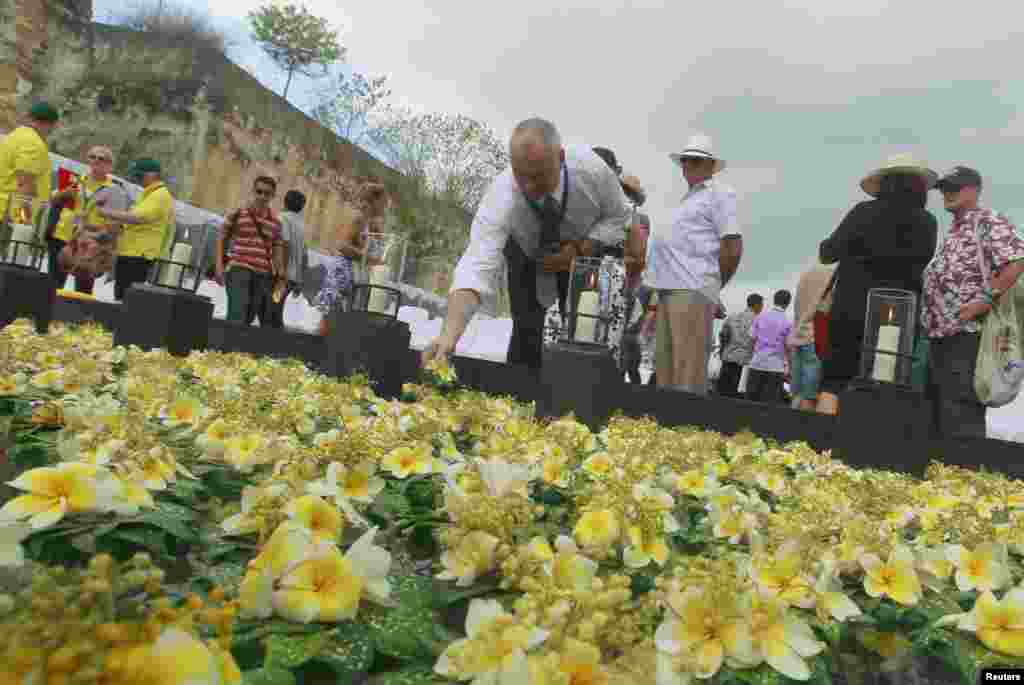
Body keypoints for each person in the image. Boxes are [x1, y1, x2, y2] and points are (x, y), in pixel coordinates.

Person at [421, 118, 630, 371]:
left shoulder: (593, 171)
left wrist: (580, 250)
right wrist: (448, 336)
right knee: (526, 327)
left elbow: (618, 216)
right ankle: (518, 391)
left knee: (579, 331)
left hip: (582, 254)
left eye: (538, 176)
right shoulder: (501, 196)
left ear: (561, 157)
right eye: (521, 176)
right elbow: (477, 265)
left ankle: (570, 392)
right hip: (525, 252)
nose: (529, 187)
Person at [818, 154, 938, 415]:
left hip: (852, 306)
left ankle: (821, 445)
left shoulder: (863, 212)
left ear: (884, 183)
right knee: (887, 383)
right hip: (899, 314)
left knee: (835, 380)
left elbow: (828, 252)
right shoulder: (928, 221)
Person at [922, 166, 1024, 438]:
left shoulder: (987, 220)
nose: (947, 193)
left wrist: (985, 300)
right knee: (941, 409)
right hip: (941, 335)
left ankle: (964, 471)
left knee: (961, 408)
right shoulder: (955, 231)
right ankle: (944, 472)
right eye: (944, 188)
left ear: (974, 189)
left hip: (969, 332)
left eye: (954, 187)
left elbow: (1015, 261)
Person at [644, 133, 742, 395]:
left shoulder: (720, 193)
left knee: (686, 373)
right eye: (686, 160)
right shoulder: (690, 199)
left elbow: (732, 247)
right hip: (671, 287)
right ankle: (665, 429)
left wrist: (711, 287)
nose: (688, 166)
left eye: (696, 161)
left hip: (693, 287)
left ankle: (685, 429)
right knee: (666, 369)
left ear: (711, 166)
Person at [314, 182, 390, 336]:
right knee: (330, 318)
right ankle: (315, 349)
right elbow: (342, 245)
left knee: (339, 320)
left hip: (353, 273)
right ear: (374, 201)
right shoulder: (358, 218)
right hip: (343, 272)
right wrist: (370, 259)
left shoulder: (368, 222)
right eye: (383, 203)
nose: (385, 207)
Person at [47, 145, 126, 294]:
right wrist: (62, 194)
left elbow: (115, 224)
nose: (96, 160)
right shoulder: (75, 180)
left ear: (109, 166)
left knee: (83, 289)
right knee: (53, 284)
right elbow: (53, 199)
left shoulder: (115, 191)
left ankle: (80, 317)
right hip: (63, 237)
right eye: (92, 156)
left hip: (90, 244)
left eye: (101, 158)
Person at [96, 158, 175, 301]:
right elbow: (135, 221)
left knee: (128, 299)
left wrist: (105, 212)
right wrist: (117, 227)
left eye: (139, 175)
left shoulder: (160, 195)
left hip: (139, 255)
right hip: (130, 252)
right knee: (121, 296)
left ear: (153, 175)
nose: (137, 179)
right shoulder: (149, 194)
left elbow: (138, 217)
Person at [214, 176, 285, 325]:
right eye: (259, 192)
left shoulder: (276, 223)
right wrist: (219, 267)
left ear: (273, 196)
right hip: (239, 268)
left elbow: (278, 250)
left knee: (248, 317)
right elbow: (221, 238)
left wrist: (281, 275)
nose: (262, 196)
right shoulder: (238, 213)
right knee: (237, 312)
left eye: (267, 193)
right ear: (253, 191)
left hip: (262, 274)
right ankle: (227, 347)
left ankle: (232, 347)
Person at [0, 101, 58, 230]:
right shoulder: (34, 144)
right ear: (50, 124)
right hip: (10, 217)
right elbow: (25, 184)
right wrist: (23, 223)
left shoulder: (14, 135)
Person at [786, 264, 836, 411]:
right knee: (810, 396)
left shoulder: (805, 274)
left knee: (796, 393)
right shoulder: (831, 274)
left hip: (797, 335)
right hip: (815, 336)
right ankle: (802, 432)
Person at [264, 189, 309, 329]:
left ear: (285, 201)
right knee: (276, 308)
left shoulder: (283, 218)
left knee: (272, 310)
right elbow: (304, 254)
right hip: (292, 276)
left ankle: (272, 344)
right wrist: (300, 278)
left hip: (282, 275)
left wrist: (281, 272)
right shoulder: (301, 224)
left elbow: (284, 244)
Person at [746, 290, 793, 403]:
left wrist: (750, 359)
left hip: (757, 363)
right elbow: (789, 347)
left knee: (751, 401)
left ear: (774, 300)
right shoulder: (788, 323)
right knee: (770, 403)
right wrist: (790, 367)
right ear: (788, 303)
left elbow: (751, 340)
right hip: (776, 367)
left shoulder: (759, 317)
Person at [717, 293, 763, 398]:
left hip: (727, 357)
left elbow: (723, 336)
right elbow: (757, 341)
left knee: (721, 391)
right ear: (758, 305)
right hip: (743, 361)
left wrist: (722, 351)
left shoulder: (732, 317)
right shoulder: (758, 320)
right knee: (735, 396)